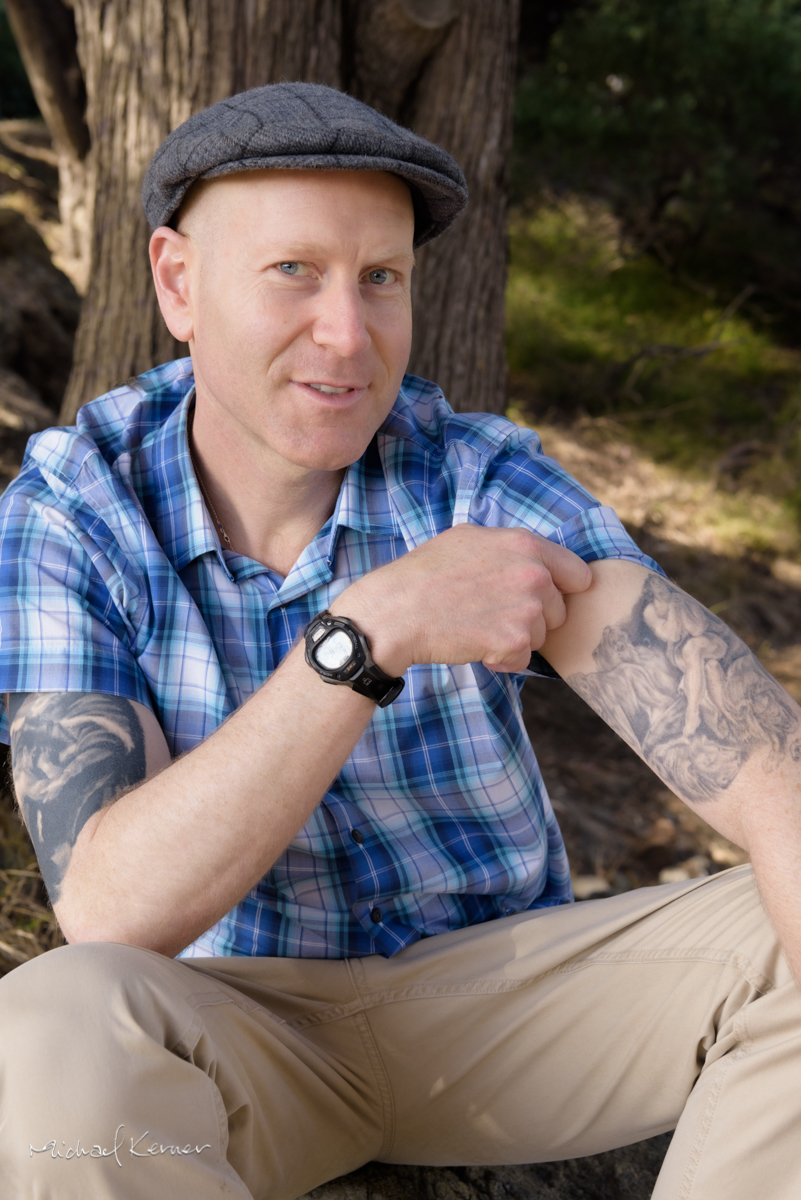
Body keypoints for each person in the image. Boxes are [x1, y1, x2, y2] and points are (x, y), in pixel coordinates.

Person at [0, 82, 799, 1200]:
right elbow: (109, 909)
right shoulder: (75, 514)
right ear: (178, 283)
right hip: (243, 1035)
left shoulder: (472, 477)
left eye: (380, 277)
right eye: (294, 270)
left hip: (508, 1012)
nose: (347, 333)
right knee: (50, 1019)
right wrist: (366, 634)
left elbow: (753, 759)